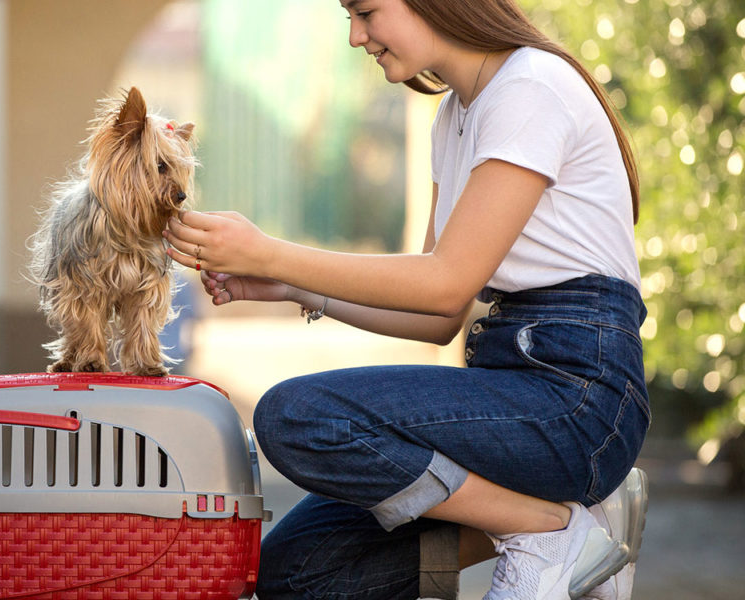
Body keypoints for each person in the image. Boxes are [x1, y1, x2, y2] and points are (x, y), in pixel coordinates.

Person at [162, 0, 650, 598]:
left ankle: (545, 528)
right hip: (511, 382)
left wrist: (269, 253)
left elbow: (446, 281)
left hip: (578, 395)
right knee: (297, 569)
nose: (354, 36)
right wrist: (294, 287)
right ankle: (561, 526)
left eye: (365, 11)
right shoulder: (454, 115)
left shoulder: (532, 86)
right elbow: (439, 315)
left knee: (296, 418)